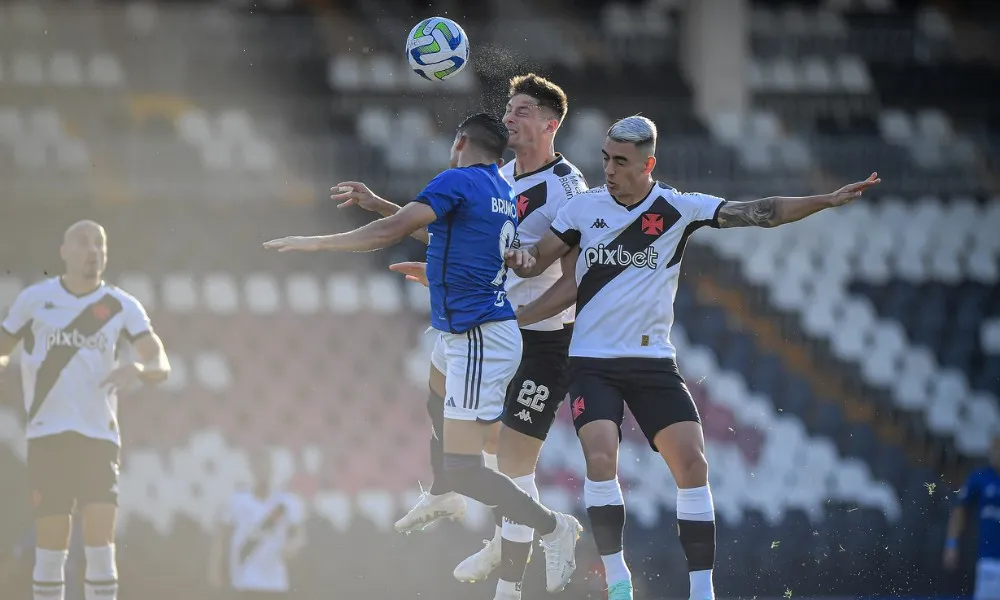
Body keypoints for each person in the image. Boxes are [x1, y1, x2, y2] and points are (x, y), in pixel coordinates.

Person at [502, 115, 881, 600]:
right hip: (591, 361)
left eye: (620, 161)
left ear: (648, 163)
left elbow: (761, 211)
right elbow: (538, 261)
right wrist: (497, 253)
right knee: (600, 457)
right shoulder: (582, 209)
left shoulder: (678, 208)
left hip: (653, 363)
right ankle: (618, 575)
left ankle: (702, 590)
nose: (609, 169)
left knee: (693, 465)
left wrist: (825, 200)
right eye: (605, 158)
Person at [262, 112, 583, 593]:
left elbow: (390, 232)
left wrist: (316, 243)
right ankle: (445, 492)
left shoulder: (457, 180)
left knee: (466, 466)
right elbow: (453, 239)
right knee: (435, 392)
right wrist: (380, 208)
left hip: (479, 337)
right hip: (466, 333)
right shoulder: (499, 190)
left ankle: (553, 527)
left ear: (459, 143)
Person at [345, 73, 586, 599]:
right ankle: (460, 498)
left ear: (551, 123)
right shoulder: (496, 175)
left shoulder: (568, 189)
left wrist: (517, 320)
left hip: (539, 338)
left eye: (521, 110)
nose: (508, 118)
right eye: (507, 109)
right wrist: (384, 207)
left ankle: (511, 582)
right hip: (488, 327)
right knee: (445, 405)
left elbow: (570, 279)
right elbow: (450, 230)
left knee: (514, 462)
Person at [0, 219, 171, 600]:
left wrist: (141, 368)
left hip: (99, 437)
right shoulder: (34, 299)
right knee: (50, 549)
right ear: (64, 251)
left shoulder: (120, 305)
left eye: (100, 244)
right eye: (83, 242)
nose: (93, 250)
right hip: (48, 436)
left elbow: (159, 361)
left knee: (100, 547)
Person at [208, 449, 307, 600]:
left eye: (267, 468)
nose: (264, 473)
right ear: (252, 469)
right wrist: (215, 570)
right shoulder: (237, 500)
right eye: (260, 468)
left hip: (274, 580)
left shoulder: (287, 502)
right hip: (244, 579)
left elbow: (300, 536)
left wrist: (292, 547)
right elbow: (221, 538)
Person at [944, 433, 1000, 600]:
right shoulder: (980, 478)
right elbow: (960, 511)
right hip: (989, 560)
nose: (997, 454)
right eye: (995, 449)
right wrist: (951, 543)